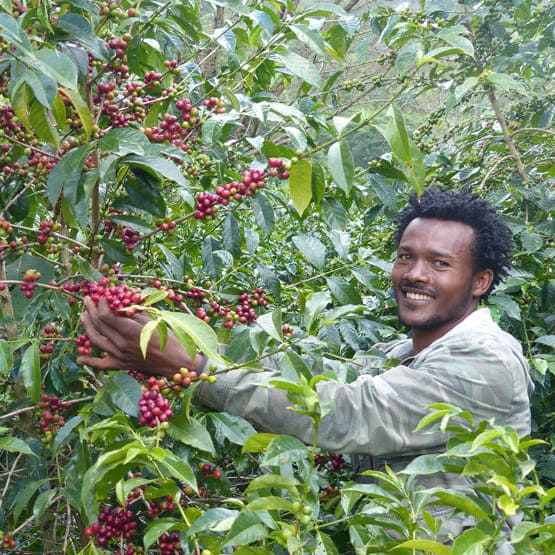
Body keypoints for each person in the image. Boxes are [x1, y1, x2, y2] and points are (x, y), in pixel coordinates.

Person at [78, 187, 533, 544]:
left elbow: (343, 412)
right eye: (405, 257)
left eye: (440, 263)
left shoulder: (484, 360)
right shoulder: (402, 355)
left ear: (479, 282)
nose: (415, 274)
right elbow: (312, 381)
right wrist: (183, 338)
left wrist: (196, 368)